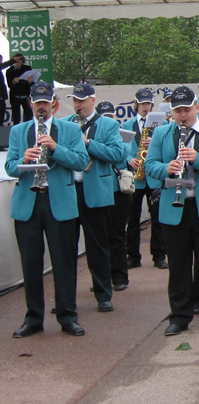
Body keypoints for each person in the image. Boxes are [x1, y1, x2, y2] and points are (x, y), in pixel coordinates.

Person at [144, 85, 199, 336]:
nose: (183, 115)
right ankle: (180, 316)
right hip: (175, 208)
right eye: (178, 111)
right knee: (179, 266)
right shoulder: (162, 134)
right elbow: (150, 165)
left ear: (197, 109)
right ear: (171, 113)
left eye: (187, 110)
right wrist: (167, 168)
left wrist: (197, 159)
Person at [6, 81, 89, 337]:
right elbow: (9, 167)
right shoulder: (18, 131)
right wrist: (23, 160)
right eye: (37, 102)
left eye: (46, 102)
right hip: (29, 201)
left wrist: (54, 147)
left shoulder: (69, 129)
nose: (41, 107)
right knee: (30, 263)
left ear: (53, 103)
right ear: (31, 103)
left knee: (64, 262)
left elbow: (81, 161)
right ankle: (33, 318)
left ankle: (67, 316)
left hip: (59, 201)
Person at [64, 82, 126, 314]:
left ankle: (103, 294)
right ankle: (66, 297)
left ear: (93, 100)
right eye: (75, 100)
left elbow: (118, 154)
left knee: (98, 246)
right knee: (66, 248)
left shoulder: (108, 124)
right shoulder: (66, 124)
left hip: (96, 191)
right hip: (70, 190)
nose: (78, 104)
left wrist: (88, 143)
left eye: (82, 99)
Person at [123, 87, 167, 270]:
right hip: (136, 176)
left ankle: (159, 256)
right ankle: (133, 256)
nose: (146, 107)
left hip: (153, 176)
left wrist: (155, 142)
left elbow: (166, 149)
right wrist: (128, 159)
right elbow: (122, 148)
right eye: (143, 103)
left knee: (157, 217)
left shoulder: (161, 126)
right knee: (132, 219)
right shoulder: (126, 125)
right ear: (136, 104)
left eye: (149, 103)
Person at [95, 100, 132, 292]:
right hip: (100, 189)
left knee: (117, 233)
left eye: (110, 116)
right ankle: (102, 276)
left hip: (118, 189)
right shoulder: (95, 133)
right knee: (100, 236)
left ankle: (119, 275)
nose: (107, 120)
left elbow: (120, 155)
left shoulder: (121, 134)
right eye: (103, 117)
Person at [6, 53, 34, 125]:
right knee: (16, 116)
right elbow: (10, 85)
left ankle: (28, 128)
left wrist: (30, 82)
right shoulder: (9, 71)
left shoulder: (27, 68)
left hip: (25, 94)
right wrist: (14, 82)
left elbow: (31, 82)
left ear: (22, 61)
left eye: (20, 60)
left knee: (28, 115)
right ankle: (17, 130)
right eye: (16, 61)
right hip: (15, 95)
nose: (18, 63)